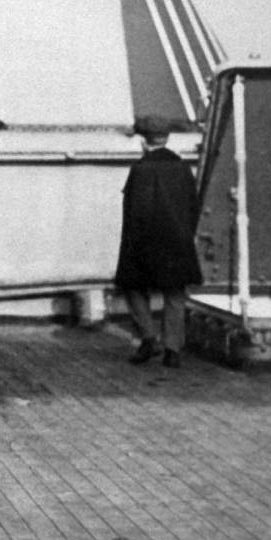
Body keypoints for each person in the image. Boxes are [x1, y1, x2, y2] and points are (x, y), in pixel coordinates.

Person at [115, 116, 203, 369]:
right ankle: (172, 350)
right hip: (177, 241)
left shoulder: (140, 169)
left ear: (144, 141)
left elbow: (134, 210)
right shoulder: (182, 167)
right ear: (167, 139)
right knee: (174, 294)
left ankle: (148, 339)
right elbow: (193, 206)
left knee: (133, 289)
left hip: (144, 243)